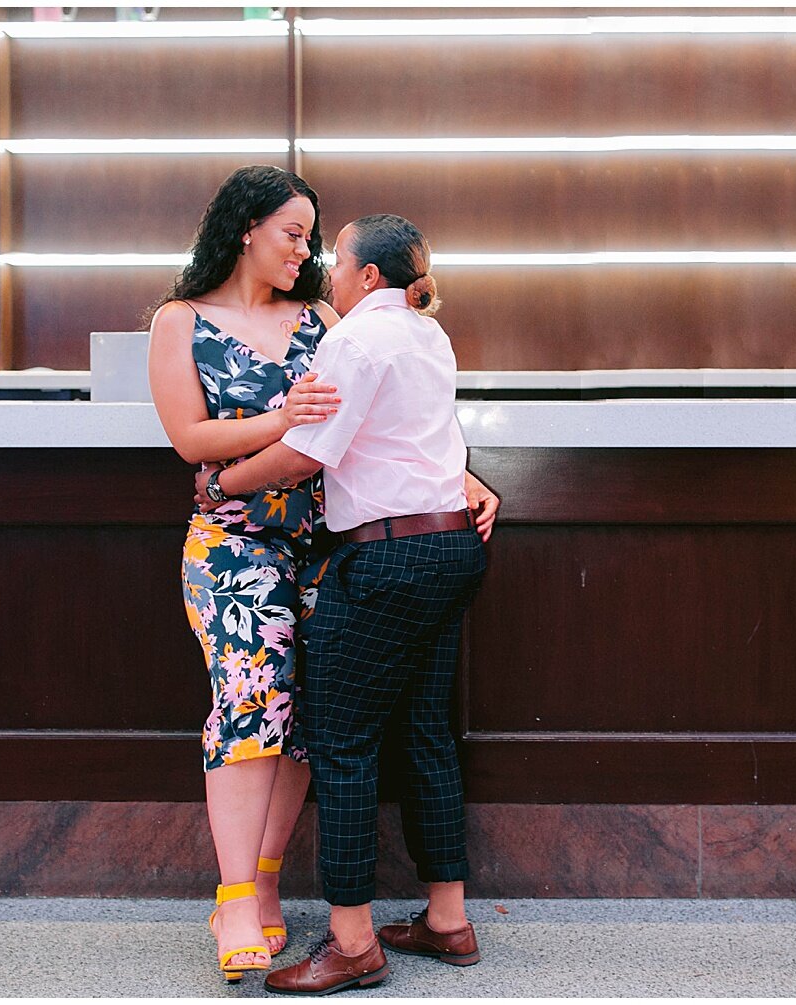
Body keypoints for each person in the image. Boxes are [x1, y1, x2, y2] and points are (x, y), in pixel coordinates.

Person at [194, 214, 494, 996]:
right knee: (426, 730)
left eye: (336, 256)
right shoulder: (430, 335)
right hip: (453, 548)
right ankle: (447, 919)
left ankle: (353, 941)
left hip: (386, 556)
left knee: (341, 741)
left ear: (367, 276)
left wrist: (224, 481)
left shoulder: (352, 339)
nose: (325, 266)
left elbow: (305, 453)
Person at [147, 164, 342, 982]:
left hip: (325, 543)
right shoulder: (178, 321)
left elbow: (374, 415)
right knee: (252, 696)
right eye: (291, 232)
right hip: (230, 544)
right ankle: (232, 895)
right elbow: (190, 440)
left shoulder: (323, 317)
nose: (304, 248)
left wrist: (466, 479)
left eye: (310, 235)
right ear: (244, 230)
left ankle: (264, 883)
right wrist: (282, 417)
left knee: (303, 717)